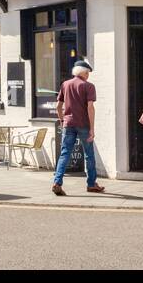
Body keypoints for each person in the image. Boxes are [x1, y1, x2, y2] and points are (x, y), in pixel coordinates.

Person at [52, 60, 104, 196]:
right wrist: (92, 129)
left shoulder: (65, 84)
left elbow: (58, 106)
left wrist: (62, 120)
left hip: (68, 124)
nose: (88, 76)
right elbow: (90, 108)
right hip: (83, 125)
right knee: (89, 155)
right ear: (85, 73)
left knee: (64, 154)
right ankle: (91, 184)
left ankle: (57, 182)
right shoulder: (88, 86)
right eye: (88, 73)